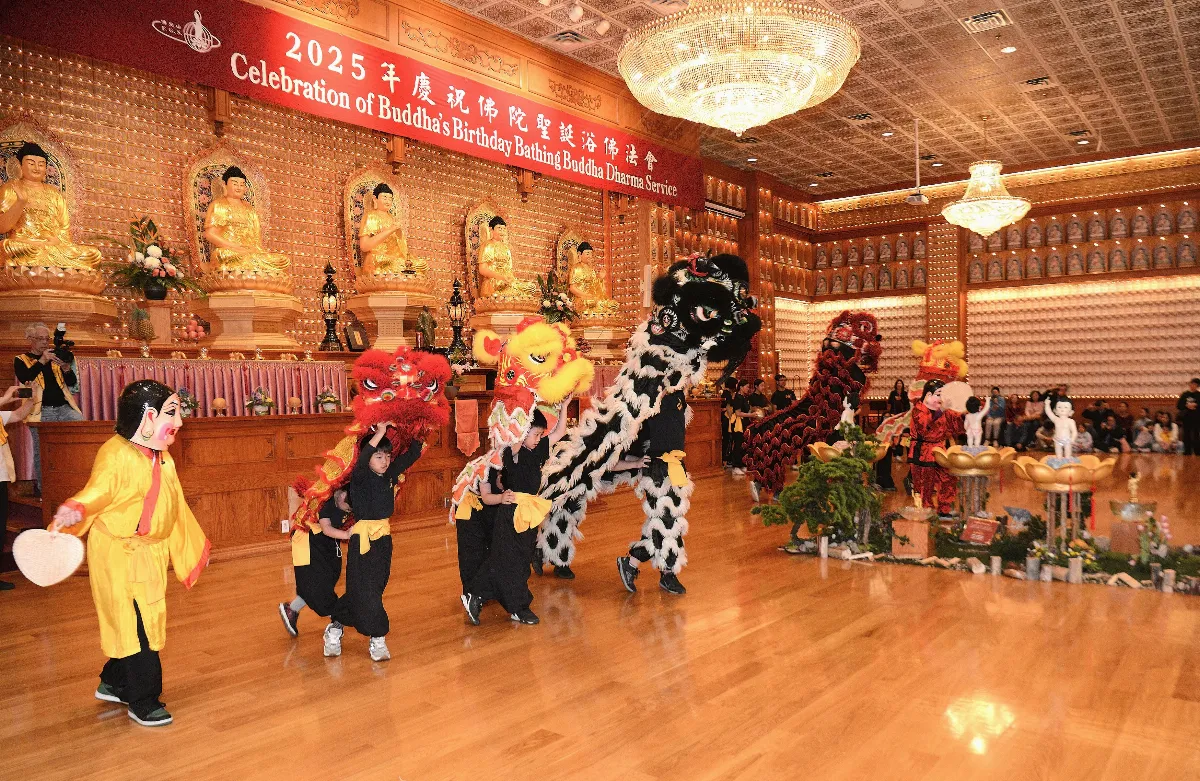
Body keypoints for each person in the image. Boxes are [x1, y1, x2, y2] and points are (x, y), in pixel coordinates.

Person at [51, 380, 210, 727]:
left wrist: (191, 546)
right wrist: (76, 507)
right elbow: (99, 490)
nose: (179, 423)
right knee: (137, 627)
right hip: (118, 555)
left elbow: (176, 507)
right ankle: (144, 699)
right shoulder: (115, 452)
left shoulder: (162, 458)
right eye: (172, 413)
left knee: (142, 621)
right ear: (147, 417)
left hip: (147, 556)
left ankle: (114, 681)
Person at [326, 423, 424, 662]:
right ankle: (378, 637)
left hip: (383, 539)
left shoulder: (389, 475)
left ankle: (336, 625)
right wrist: (380, 432)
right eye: (378, 456)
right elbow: (364, 457)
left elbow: (411, 456)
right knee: (367, 590)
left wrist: (420, 431)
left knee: (371, 589)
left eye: (387, 456)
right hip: (363, 540)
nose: (384, 461)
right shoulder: (360, 476)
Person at [462, 407, 569, 625]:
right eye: (535, 434)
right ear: (523, 432)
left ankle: (482, 596)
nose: (539, 439)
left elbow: (560, 432)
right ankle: (514, 606)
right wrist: (526, 408)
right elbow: (517, 435)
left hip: (528, 512)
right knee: (509, 561)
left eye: (540, 435)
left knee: (518, 561)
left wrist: (565, 405)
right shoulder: (514, 452)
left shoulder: (537, 451)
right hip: (511, 513)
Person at [14, 322, 83, 493]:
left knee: (80, 429)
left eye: (47, 339)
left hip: (64, 408)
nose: (45, 343)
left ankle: (74, 483)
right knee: (43, 450)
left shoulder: (55, 358)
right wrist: (43, 360)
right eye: (40, 339)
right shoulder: (21, 360)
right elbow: (25, 377)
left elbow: (72, 383)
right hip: (41, 410)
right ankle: (44, 489)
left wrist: (67, 369)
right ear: (30, 339)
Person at [278, 488, 352, 638]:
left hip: (326, 543)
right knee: (316, 584)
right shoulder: (325, 502)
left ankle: (291, 610)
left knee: (326, 579)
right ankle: (337, 619)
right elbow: (326, 528)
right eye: (349, 507)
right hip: (309, 541)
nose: (349, 511)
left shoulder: (348, 496)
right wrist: (347, 534)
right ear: (343, 496)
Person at [907, 380, 963, 518]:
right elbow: (924, 425)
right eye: (939, 395)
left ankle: (944, 508)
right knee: (926, 484)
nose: (941, 398)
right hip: (923, 451)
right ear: (928, 395)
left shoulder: (943, 410)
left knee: (948, 478)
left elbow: (957, 424)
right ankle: (927, 511)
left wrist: (969, 411)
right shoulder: (918, 409)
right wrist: (941, 410)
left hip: (939, 449)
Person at [0, 384, 35, 590]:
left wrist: (31, 400)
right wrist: (5, 397)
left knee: (0, 528)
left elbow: (19, 415)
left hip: (1, 480)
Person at [728, 380, 753, 476]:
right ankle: (735, 466)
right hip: (738, 423)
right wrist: (751, 414)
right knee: (738, 444)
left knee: (743, 444)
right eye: (746, 386)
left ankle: (742, 464)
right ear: (741, 387)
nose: (748, 389)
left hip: (744, 422)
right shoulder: (738, 397)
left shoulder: (744, 397)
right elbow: (738, 413)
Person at [1177, 378, 1200, 456]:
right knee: (1186, 434)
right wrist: (1187, 405)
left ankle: (1197, 451)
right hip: (1186, 417)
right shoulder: (1185, 394)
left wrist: (1196, 405)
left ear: (1197, 386)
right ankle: (1187, 451)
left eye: (1194, 384)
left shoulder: (1199, 395)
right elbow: (1179, 405)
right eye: (1191, 383)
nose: (1192, 385)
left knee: (1196, 434)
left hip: (1197, 418)